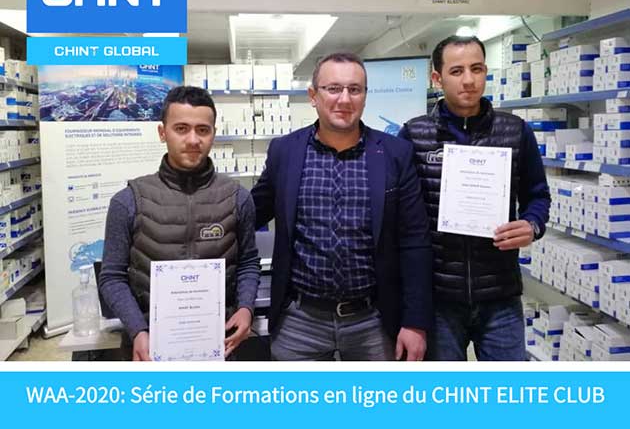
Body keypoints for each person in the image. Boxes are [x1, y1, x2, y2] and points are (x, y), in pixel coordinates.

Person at [251, 52, 432, 361]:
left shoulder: (395, 153)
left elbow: (415, 240)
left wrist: (416, 321)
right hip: (300, 322)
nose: (345, 99)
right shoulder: (285, 151)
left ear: (365, 96)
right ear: (313, 96)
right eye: (333, 88)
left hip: (374, 321)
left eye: (355, 89)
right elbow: (253, 212)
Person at [399, 35, 551, 361]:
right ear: (437, 78)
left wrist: (532, 225)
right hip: (439, 299)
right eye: (456, 71)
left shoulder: (516, 131)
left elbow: (538, 195)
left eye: (477, 68)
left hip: (500, 296)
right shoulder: (414, 134)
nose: (468, 80)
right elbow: (401, 211)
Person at [99, 86, 260, 361]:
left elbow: (248, 263)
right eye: (181, 129)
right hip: (151, 351)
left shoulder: (238, 198)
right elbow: (112, 277)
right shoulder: (128, 201)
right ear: (162, 132)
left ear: (214, 133)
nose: (193, 139)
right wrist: (137, 330)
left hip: (219, 347)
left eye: (203, 130)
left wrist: (246, 308)